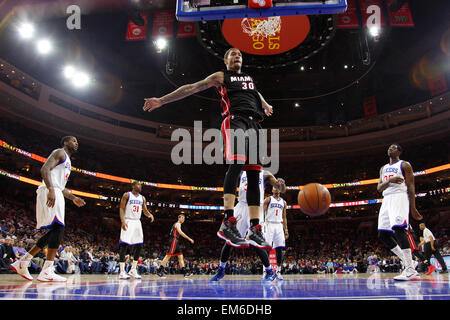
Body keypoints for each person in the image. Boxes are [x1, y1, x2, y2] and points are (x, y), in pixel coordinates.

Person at [143, 47, 277, 250]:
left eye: (240, 54)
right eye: (232, 53)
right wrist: (162, 100)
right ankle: (228, 221)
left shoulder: (248, 78)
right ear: (226, 60)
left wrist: (265, 104)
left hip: (255, 124)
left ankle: (254, 227)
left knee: (254, 176)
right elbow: (192, 87)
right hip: (235, 120)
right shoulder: (221, 76)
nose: (237, 55)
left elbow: (254, 92)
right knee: (236, 165)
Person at [10, 136, 86, 282]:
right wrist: (51, 188)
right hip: (50, 190)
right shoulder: (60, 152)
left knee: (55, 230)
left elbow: (61, 186)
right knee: (58, 228)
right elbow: (45, 169)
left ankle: (24, 262)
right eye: (73, 140)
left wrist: (73, 198)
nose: (76, 143)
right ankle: (46, 270)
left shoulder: (68, 161)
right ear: (65, 142)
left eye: (77, 141)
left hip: (56, 191)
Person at [210, 171, 285, 282]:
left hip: (255, 208)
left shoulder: (265, 174)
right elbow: (229, 176)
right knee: (229, 240)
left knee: (256, 242)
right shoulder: (241, 171)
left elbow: (281, 189)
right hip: (241, 206)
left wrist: (280, 184)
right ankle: (221, 269)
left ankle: (269, 271)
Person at [376, 144, 422, 281]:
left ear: (400, 151)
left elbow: (411, 186)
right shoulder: (383, 168)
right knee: (383, 234)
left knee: (399, 229)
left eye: (394, 147)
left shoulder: (405, 165)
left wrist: (413, 207)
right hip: (387, 199)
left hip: (399, 197)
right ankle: (410, 263)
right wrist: (390, 180)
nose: (390, 148)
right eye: (389, 147)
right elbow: (379, 188)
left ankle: (410, 271)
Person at [118, 181, 154, 280]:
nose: (140, 186)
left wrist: (149, 215)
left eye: (141, 185)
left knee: (139, 245)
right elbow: (121, 208)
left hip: (137, 222)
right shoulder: (127, 195)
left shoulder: (142, 198)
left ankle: (133, 269)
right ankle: (122, 271)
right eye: (138, 185)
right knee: (124, 244)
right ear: (133, 186)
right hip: (128, 220)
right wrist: (123, 221)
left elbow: (145, 210)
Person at [262, 183, 288, 280]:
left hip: (279, 225)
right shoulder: (268, 200)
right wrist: (262, 225)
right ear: (272, 190)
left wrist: (286, 230)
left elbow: (284, 217)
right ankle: (266, 271)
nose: (276, 189)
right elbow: (262, 213)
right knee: (267, 248)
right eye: (274, 187)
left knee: (280, 249)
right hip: (269, 224)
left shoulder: (283, 202)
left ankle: (278, 271)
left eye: (278, 188)